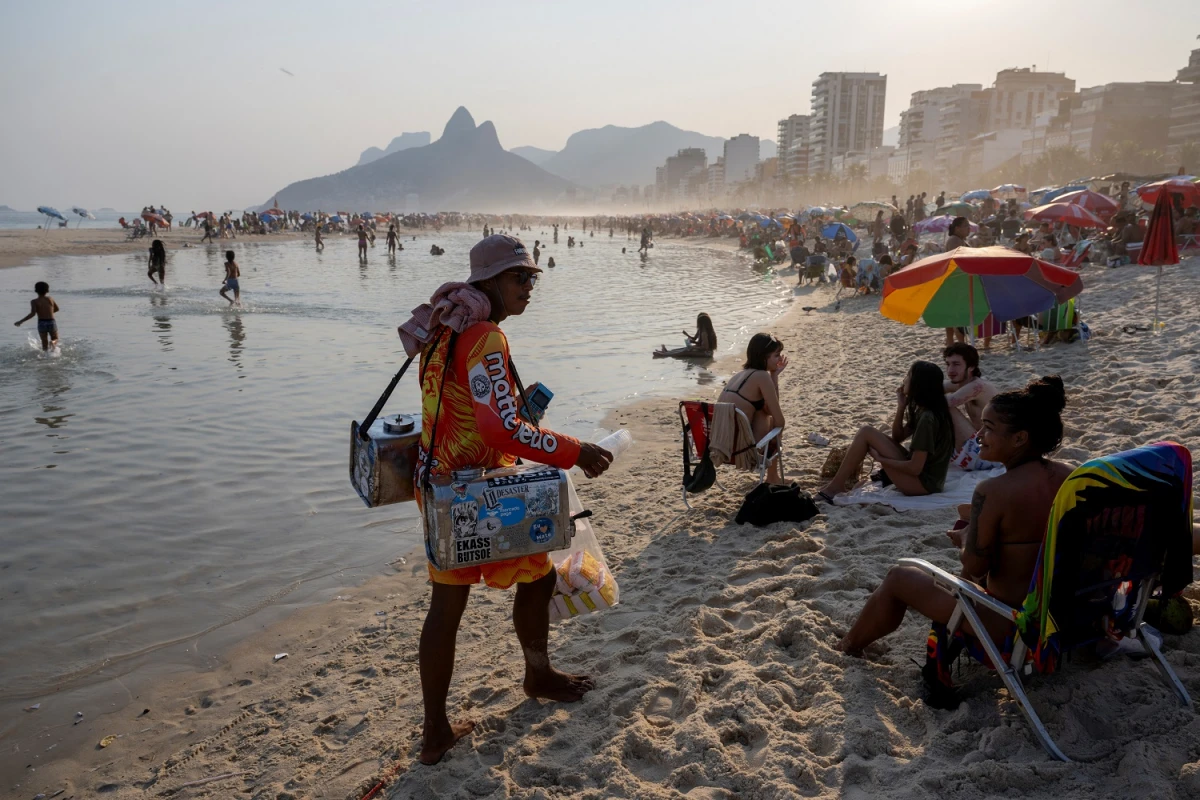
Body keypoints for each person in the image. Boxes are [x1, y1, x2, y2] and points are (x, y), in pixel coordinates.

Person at [412, 234, 612, 765]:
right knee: (536, 575)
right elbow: (503, 431)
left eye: (531, 278)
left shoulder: (443, 329)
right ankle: (538, 672)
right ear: (489, 283)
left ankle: (436, 731)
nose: (528, 287)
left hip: (439, 485)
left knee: (450, 605)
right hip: (480, 493)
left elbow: (461, 411)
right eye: (518, 278)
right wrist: (576, 451)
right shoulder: (484, 338)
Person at [836, 377, 1072, 670]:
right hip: (1062, 614)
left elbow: (975, 567)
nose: (978, 436)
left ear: (1020, 438)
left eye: (989, 428)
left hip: (1012, 623)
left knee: (899, 577)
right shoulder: (1069, 477)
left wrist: (965, 537)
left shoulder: (995, 491)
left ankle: (848, 647)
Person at [817, 361, 954, 502]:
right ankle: (836, 485)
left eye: (908, 375)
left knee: (866, 432)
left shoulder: (928, 418)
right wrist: (901, 407)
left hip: (923, 486)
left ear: (918, 383)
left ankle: (835, 487)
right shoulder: (925, 409)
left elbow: (915, 468)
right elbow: (898, 437)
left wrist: (882, 460)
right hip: (924, 479)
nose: (904, 380)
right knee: (866, 432)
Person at [717, 333, 788, 484]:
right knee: (770, 419)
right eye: (776, 355)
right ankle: (773, 477)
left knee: (762, 412)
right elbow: (779, 418)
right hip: (742, 450)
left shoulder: (739, 375)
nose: (779, 359)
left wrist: (774, 375)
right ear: (763, 357)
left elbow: (769, 409)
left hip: (720, 445)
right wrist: (771, 377)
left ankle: (773, 477)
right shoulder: (762, 376)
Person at [943, 343, 999, 470]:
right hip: (981, 445)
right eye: (948, 364)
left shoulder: (977, 386)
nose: (950, 370)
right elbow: (932, 387)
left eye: (956, 364)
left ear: (971, 366)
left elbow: (946, 401)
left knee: (944, 406)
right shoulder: (961, 383)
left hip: (990, 453)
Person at [14, 281, 61, 350]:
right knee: (55, 338)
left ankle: (45, 357)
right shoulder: (50, 299)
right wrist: (48, 312)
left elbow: (33, 314)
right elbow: (57, 309)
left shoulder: (34, 301)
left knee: (44, 343)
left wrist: (21, 321)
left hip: (41, 323)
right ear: (47, 290)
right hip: (51, 321)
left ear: (36, 290)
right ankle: (53, 342)